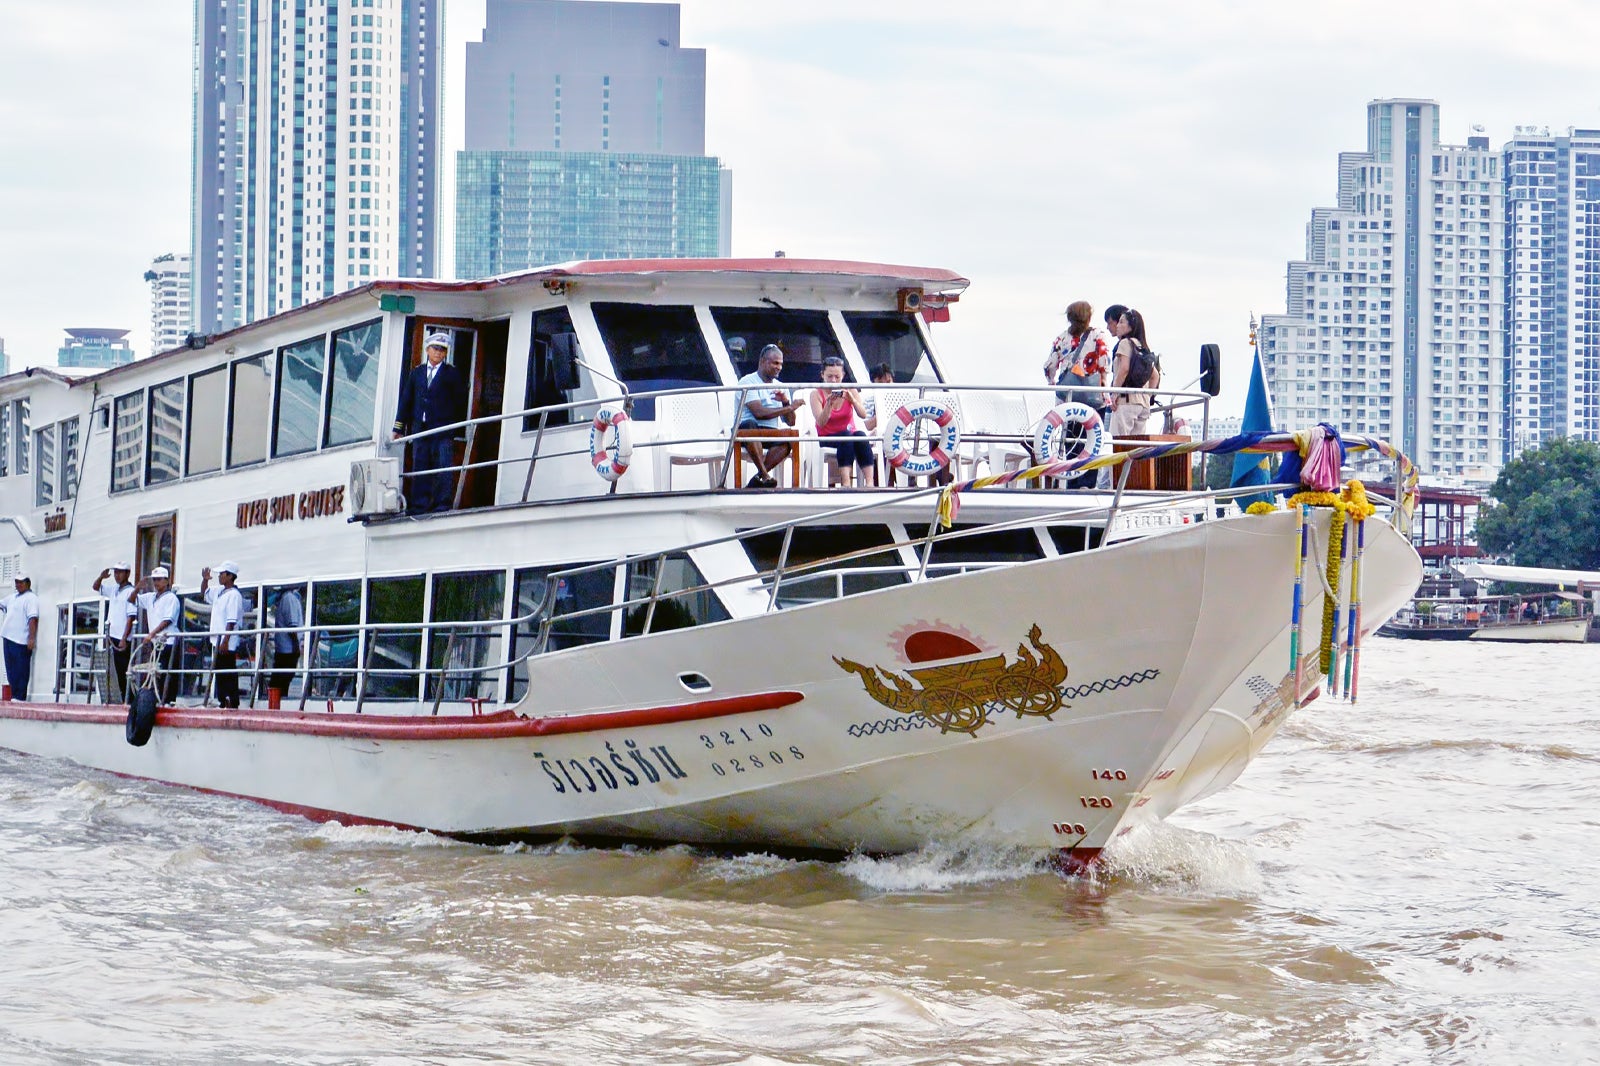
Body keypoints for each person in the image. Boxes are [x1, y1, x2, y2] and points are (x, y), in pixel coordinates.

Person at [392, 332, 467, 514]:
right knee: (420, 466)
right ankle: (420, 504)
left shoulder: (452, 374)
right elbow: (406, 400)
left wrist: (454, 426)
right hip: (421, 429)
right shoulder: (416, 373)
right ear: (427, 350)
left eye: (442, 350)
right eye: (435, 349)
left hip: (442, 431)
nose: (438, 353)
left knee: (443, 467)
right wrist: (398, 427)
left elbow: (460, 401)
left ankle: (442, 504)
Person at [735, 343, 802, 487]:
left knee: (788, 439)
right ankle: (765, 475)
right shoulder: (748, 382)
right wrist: (790, 406)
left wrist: (785, 403)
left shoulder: (780, 386)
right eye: (775, 363)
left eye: (781, 364)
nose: (779, 367)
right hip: (746, 432)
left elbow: (790, 422)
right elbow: (758, 413)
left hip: (769, 433)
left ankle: (758, 478)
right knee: (750, 426)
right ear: (762, 362)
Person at [809, 356, 875, 486]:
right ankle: (846, 482)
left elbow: (863, 414)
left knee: (860, 436)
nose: (833, 381)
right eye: (829, 377)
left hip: (848, 434)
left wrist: (853, 401)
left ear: (843, 375)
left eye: (837, 377)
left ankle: (870, 482)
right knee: (846, 437)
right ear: (822, 375)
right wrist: (828, 405)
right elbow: (821, 422)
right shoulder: (816, 394)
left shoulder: (850, 390)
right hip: (827, 436)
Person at [1109, 307, 1161, 438]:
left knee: (1118, 444)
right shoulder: (1142, 347)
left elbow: (1124, 368)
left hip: (1126, 401)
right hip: (1143, 404)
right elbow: (1155, 376)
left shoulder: (1125, 343)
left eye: (1121, 322)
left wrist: (1114, 393)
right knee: (1136, 448)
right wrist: (1147, 397)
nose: (1118, 326)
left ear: (1130, 327)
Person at [200, 562, 246, 709]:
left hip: (226, 641)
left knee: (227, 671)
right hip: (216, 640)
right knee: (220, 671)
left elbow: (231, 620)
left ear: (230, 576)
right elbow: (204, 594)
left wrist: (225, 640)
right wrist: (205, 580)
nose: (219, 576)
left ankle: (231, 701)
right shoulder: (220, 591)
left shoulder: (234, 595)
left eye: (222, 574)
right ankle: (223, 700)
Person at [137, 565, 182, 705]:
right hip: (156, 642)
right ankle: (159, 698)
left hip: (167, 641)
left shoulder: (171, 599)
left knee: (167, 670)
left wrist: (152, 633)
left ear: (166, 581)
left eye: (159, 580)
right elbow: (132, 600)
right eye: (154, 580)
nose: (156, 583)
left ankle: (168, 700)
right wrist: (138, 587)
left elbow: (168, 620)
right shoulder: (151, 597)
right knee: (157, 671)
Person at [93, 561, 136, 703]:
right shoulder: (114, 589)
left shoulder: (130, 591)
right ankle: (114, 699)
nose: (117, 575)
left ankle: (127, 700)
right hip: (111, 636)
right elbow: (96, 587)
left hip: (122, 638)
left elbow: (131, 617)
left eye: (120, 572)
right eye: (116, 572)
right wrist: (101, 577)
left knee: (122, 671)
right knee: (111, 670)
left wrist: (124, 638)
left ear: (127, 574)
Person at [1, 573, 40, 701]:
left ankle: (20, 696)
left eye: (21, 582)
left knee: (21, 669)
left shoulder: (31, 598)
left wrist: (31, 638)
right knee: (10, 669)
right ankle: (14, 695)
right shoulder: (13, 597)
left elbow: (32, 619)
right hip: (8, 637)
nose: (18, 585)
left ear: (27, 583)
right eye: (16, 582)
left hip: (21, 640)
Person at [269, 586, 303, 700]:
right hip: (287, 650)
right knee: (281, 681)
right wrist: (296, 646)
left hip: (285, 649)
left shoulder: (287, 598)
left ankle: (278, 702)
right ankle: (277, 704)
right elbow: (292, 626)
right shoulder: (289, 598)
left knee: (281, 681)